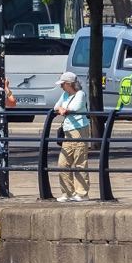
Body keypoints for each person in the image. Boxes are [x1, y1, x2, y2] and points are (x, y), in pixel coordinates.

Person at [53, 71, 90, 202]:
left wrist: (64, 109)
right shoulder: (65, 94)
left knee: (80, 160)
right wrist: (60, 109)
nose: (61, 87)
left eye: (62, 84)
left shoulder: (80, 94)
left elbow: (76, 106)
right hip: (68, 129)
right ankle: (67, 192)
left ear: (69, 84)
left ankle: (81, 193)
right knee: (63, 162)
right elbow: (56, 106)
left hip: (79, 128)